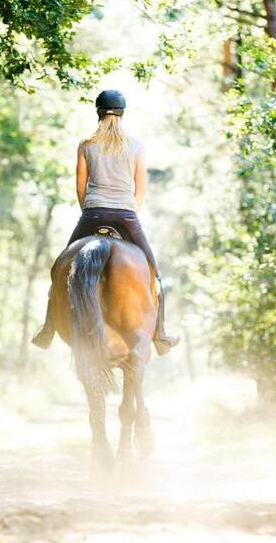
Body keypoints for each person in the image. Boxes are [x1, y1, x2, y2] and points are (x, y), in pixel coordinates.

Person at [31, 89, 180, 355]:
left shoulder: (86, 144)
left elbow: (80, 186)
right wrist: (131, 213)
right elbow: (140, 189)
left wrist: (88, 211)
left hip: (92, 213)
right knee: (154, 274)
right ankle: (161, 333)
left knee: (58, 270)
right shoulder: (136, 145)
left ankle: (48, 327)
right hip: (125, 215)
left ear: (98, 111)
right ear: (122, 113)